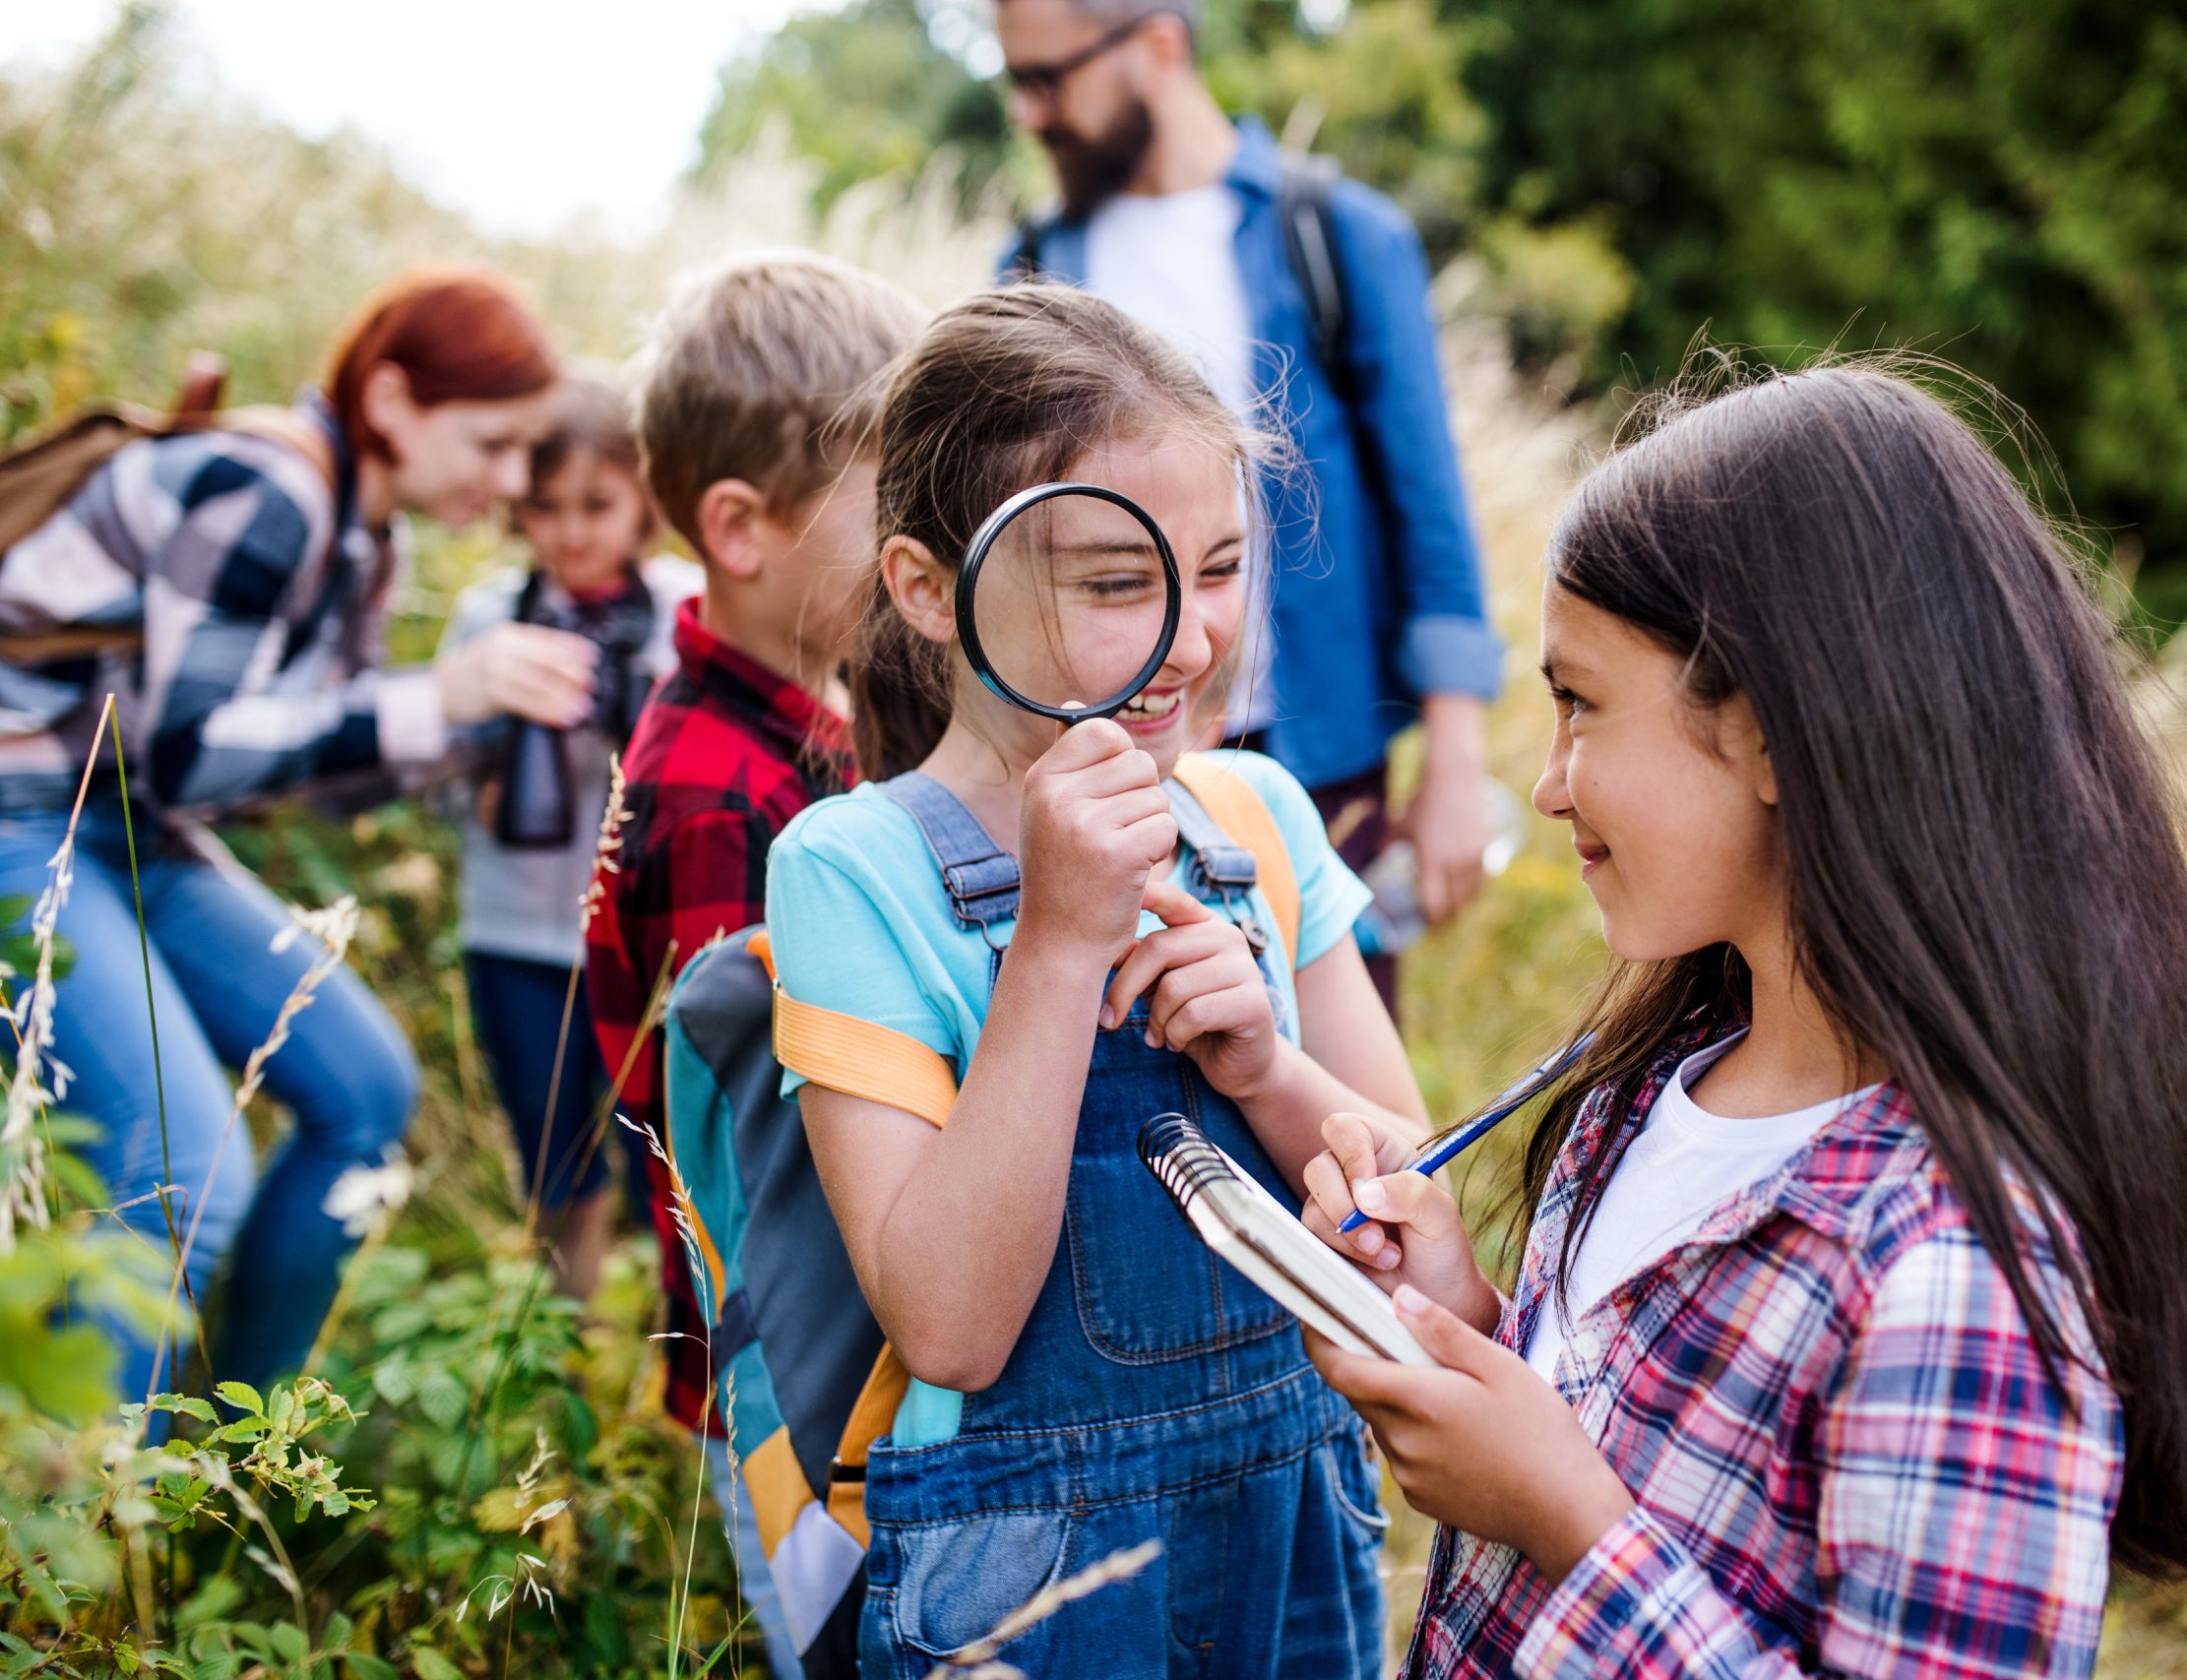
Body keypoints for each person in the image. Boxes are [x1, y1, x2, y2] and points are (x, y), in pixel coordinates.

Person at [1299, 363, 2187, 1677]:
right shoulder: (1646, 1089)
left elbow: (1602, 1505)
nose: (1546, 778)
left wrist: (1572, 1528)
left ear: (1763, 729)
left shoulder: (1956, 1271)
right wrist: (1465, 1323)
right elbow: (1655, 1431)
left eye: (1580, 702)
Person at [765, 284, 1425, 1679]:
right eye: (1120, 582)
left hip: (1295, 1542)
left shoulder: (1256, 819)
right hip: (1022, 1591)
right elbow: (951, 1321)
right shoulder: (852, 868)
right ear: (929, 590)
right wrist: (1058, 947)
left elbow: (1419, 1244)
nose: (1191, 640)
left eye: (1226, 565)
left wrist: (1267, 1067)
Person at [0, 268, 581, 1400]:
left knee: (364, 1086)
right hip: (21, 812)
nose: (510, 482)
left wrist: (474, 733)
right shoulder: (272, 488)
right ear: (396, 400)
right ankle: (96, 1533)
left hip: (126, 825)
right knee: (176, 1165)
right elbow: (192, 753)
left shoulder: (366, 546)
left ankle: (236, 1448)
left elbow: (300, 773)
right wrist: (434, 697)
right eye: (493, 443)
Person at [992, 0, 1503, 1008]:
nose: (1028, 113)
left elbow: (1427, 505)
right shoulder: (1034, 272)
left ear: (1156, 47)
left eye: (1047, 79)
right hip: (1117, 750)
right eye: (1016, 81)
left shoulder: (1339, 236)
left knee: (1334, 1075)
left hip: (1325, 761)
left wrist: (1454, 754)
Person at [582, 250, 924, 1680]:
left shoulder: (795, 724)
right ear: (742, 527)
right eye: (890, 504)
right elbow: (762, 1142)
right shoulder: (722, 794)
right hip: (801, 1385)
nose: (927, 542)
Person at [437, 373, 699, 1300]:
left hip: (645, 937)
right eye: (545, 508)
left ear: (643, 501)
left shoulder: (681, 611)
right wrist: (492, 767)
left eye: (598, 504)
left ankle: (679, 1361)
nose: (574, 531)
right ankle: (562, 1348)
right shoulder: (491, 617)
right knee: (554, 1159)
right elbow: (434, 776)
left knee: (667, 1170)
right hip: (515, 930)